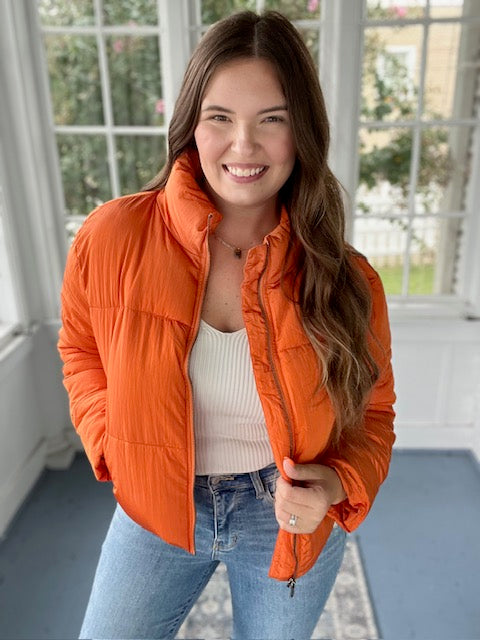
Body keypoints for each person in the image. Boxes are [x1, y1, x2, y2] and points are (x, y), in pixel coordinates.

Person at [58, 10, 395, 640]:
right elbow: (80, 350)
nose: (244, 147)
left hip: (285, 516)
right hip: (156, 503)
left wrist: (334, 485)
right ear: (191, 124)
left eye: (272, 119)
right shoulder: (111, 238)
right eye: (220, 117)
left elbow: (373, 414)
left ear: (303, 131)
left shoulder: (348, 278)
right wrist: (113, 444)